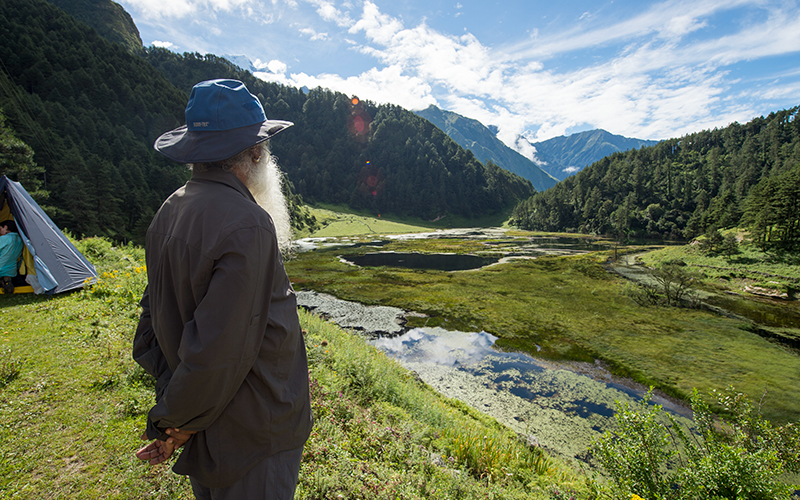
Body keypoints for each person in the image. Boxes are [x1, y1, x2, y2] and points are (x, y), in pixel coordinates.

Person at [132, 79, 313, 499]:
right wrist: (178, 421)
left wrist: (176, 419)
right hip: (252, 431)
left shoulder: (170, 210)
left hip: (205, 421)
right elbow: (222, 349)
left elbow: (152, 324)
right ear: (253, 155)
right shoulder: (248, 223)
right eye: (264, 151)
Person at [0, 219, 23, 295]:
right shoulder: (20, 239)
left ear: (5, 227)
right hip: (12, 270)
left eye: (1, 229)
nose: (0, 232)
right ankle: (6, 281)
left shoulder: (5, 238)